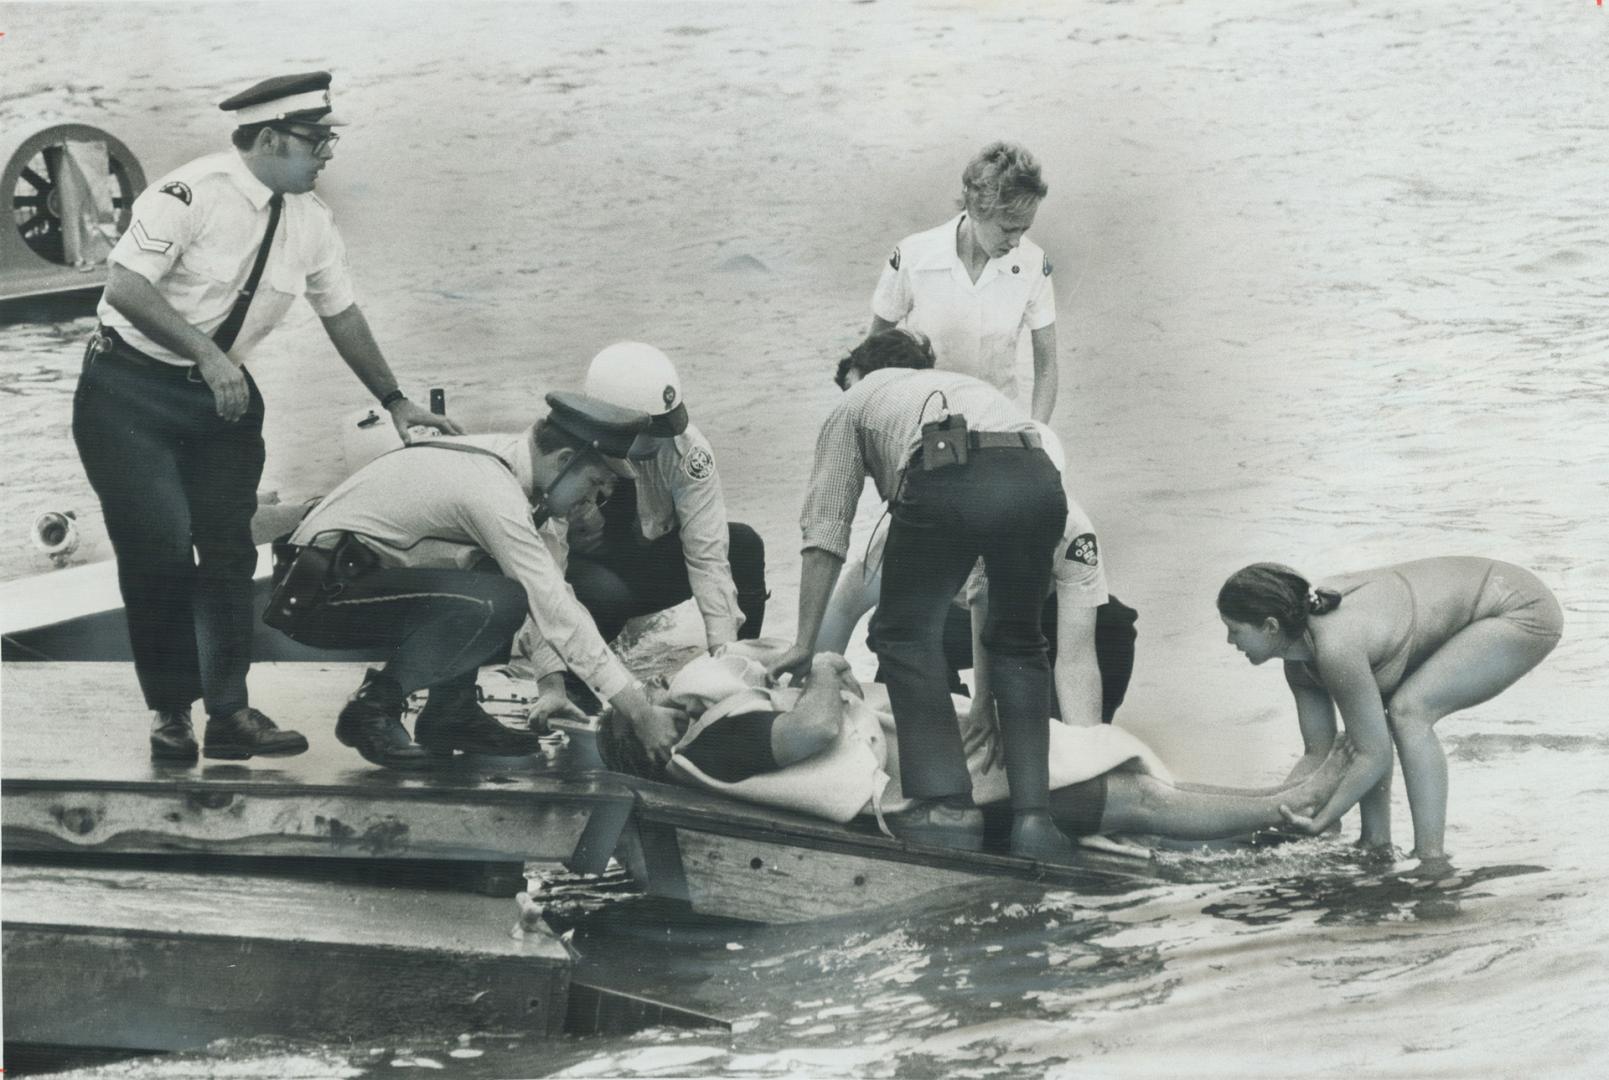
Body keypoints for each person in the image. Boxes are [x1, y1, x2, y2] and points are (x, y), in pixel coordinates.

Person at [72, 71, 460, 765]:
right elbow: (125, 286)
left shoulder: (310, 223)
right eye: (316, 140)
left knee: (228, 552)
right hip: (126, 395)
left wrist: (396, 402)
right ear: (272, 137)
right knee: (159, 549)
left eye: (329, 139)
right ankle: (169, 714)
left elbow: (340, 312)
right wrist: (210, 359)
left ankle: (228, 715)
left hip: (217, 404)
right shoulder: (190, 194)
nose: (328, 154)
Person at [770, 328, 1074, 860]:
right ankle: (1034, 819)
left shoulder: (855, 403)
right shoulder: (959, 385)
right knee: (1020, 643)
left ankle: (947, 805)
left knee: (902, 632)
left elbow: (825, 534)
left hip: (950, 465)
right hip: (1037, 474)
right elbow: (979, 579)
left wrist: (803, 642)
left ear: (858, 376)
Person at [598, 645, 1355, 853]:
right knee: (1137, 801)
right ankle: (1287, 805)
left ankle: (1274, 805)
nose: (672, 699)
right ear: (650, 739)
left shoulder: (710, 745)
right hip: (944, 789)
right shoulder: (719, 741)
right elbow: (813, 732)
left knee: (1127, 785)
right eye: (660, 706)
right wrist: (826, 667)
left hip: (937, 774)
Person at [275, 392, 686, 770]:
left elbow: (554, 596)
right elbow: (551, 605)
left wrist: (552, 685)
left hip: (362, 581)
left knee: (502, 587)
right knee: (500, 600)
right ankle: (370, 709)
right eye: (595, 484)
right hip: (318, 596)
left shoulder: (519, 474)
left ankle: (449, 715)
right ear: (562, 460)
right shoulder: (494, 491)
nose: (593, 503)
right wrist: (640, 712)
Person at [1217, 557, 1563, 866]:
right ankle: (1376, 843)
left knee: (1409, 711)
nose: (1231, 642)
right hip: (1485, 605)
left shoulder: (1335, 646)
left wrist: (1324, 819)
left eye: (1235, 630)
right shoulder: (1298, 666)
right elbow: (1319, 754)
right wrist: (1280, 811)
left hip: (1518, 608)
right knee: (1372, 724)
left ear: (1271, 627)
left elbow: (1374, 755)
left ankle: (1431, 858)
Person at [563, 342, 768, 653]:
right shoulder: (560, 450)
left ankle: (747, 657)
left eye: (667, 425)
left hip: (641, 566)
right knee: (607, 598)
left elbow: (707, 555)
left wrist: (724, 653)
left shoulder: (687, 451)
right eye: (649, 430)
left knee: (743, 544)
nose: (662, 439)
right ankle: (577, 676)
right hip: (577, 576)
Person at [869, 141, 1059, 422]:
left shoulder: (1033, 264)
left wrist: (1038, 434)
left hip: (998, 420)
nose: (1016, 241)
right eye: (1007, 229)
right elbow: (874, 349)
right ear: (976, 210)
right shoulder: (913, 255)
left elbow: (1047, 369)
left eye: (1024, 228)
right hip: (924, 421)